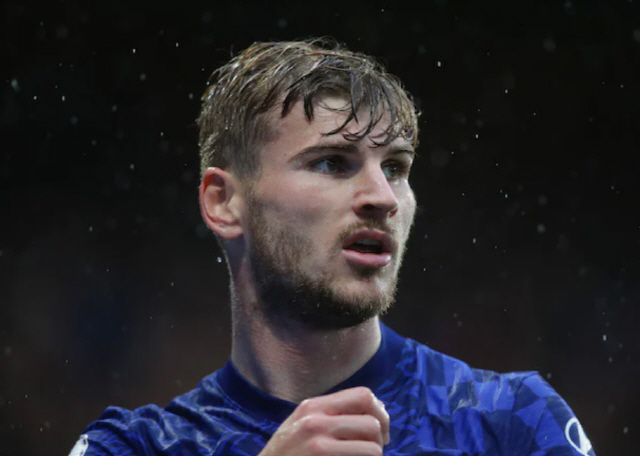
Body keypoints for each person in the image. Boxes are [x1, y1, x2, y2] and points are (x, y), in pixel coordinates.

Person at [69, 39, 595, 456]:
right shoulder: (133, 447)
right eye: (332, 163)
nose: (382, 197)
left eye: (396, 167)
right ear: (224, 203)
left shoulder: (510, 422)